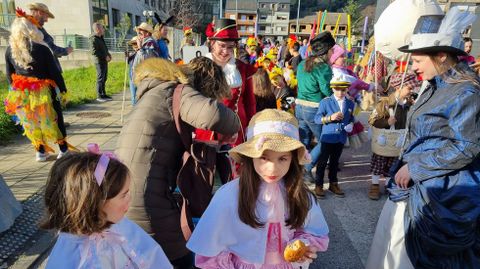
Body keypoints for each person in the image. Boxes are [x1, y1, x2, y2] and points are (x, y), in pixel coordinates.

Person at [366, 7, 480, 268]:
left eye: (418, 60)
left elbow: (466, 147)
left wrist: (415, 167)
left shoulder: (466, 91)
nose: (413, 66)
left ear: (441, 56)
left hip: (440, 192)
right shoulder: (438, 84)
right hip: (418, 187)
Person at [115, 57, 241, 268]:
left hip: (124, 193)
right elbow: (213, 114)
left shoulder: (154, 91)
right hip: (147, 198)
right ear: (206, 85)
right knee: (180, 254)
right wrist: (234, 126)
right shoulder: (177, 90)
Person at [187, 109, 329, 268]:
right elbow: (211, 243)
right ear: (250, 157)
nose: (273, 168)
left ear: (293, 159)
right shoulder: (230, 195)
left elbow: (311, 228)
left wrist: (303, 243)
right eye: (264, 157)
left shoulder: (297, 193)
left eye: (282, 158)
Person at [42, 148, 173, 268]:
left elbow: (152, 256)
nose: (130, 198)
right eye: (124, 195)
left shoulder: (119, 225)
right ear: (94, 203)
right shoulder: (71, 259)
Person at [4, 9, 70, 162]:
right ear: (30, 29)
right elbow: (54, 73)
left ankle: (40, 152)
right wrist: (64, 90)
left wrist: (15, 93)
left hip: (22, 92)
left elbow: (10, 75)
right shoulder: (42, 49)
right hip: (44, 90)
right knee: (54, 118)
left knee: (32, 121)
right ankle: (63, 149)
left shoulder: (10, 50)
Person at [199, 18, 257, 146]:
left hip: (236, 130)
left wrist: (251, 127)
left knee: (233, 164)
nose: (225, 52)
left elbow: (250, 102)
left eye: (230, 47)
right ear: (212, 43)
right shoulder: (200, 67)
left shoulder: (242, 68)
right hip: (206, 128)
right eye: (222, 46)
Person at [367, 72, 419, 200]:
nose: (411, 91)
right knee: (378, 164)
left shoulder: (408, 104)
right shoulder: (384, 103)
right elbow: (372, 120)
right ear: (398, 87)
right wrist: (386, 122)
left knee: (392, 164)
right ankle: (374, 185)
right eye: (409, 88)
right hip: (384, 141)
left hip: (398, 141)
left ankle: (388, 184)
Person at [295, 31, 335, 182]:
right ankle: (306, 168)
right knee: (325, 140)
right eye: (332, 50)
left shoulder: (301, 63)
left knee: (303, 142)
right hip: (314, 109)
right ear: (325, 51)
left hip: (299, 107)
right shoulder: (323, 67)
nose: (332, 53)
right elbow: (326, 91)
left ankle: (297, 170)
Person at [313, 73, 355, 198]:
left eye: (343, 89)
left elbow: (351, 117)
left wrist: (351, 124)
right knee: (322, 162)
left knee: (335, 162)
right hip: (328, 136)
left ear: (347, 89)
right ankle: (319, 185)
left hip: (340, 137)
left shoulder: (350, 103)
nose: (341, 92)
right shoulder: (326, 102)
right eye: (337, 89)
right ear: (332, 88)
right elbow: (317, 119)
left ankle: (333, 183)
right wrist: (330, 118)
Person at [28, 2, 73, 73]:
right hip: (47, 73)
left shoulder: (25, 27)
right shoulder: (36, 30)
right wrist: (66, 51)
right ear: (40, 12)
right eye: (46, 16)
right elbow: (50, 50)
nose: (46, 20)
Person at [90, 22, 112, 102]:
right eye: (102, 28)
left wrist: (108, 55)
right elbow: (94, 52)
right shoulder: (93, 39)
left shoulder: (100, 37)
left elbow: (104, 48)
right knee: (100, 78)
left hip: (104, 60)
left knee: (104, 77)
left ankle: (103, 94)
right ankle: (99, 96)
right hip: (99, 61)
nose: (104, 30)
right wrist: (104, 57)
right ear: (98, 29)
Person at [126, 36, 139, 105]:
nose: (135, 46)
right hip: (132, 77)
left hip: (140, 77)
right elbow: (128, 62)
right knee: (133, 96)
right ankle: (134, 109)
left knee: (139, 95)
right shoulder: (132, 55)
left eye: (136, 44)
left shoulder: (141, 53)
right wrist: (127, 57)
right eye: (133, 44)